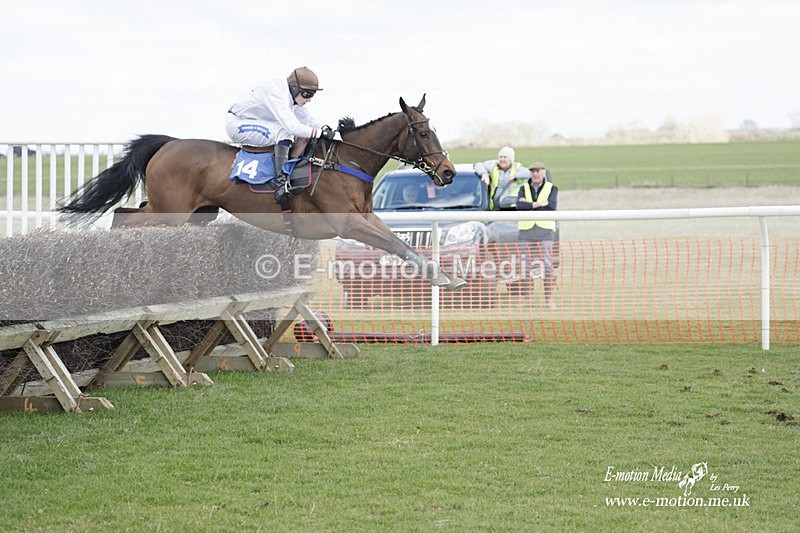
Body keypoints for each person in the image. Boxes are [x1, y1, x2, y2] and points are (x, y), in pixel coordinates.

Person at [225, 66, 337, 203]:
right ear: (295, 88)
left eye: (312, 94)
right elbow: (293, 127)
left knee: (290, 132)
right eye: (307, 94)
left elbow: (309, 121)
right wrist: (322, 133)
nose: (309, 100)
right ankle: (280, 186)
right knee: (283, 132)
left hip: (252, 121)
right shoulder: (276, 92)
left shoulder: (291, 97)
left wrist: (330, 132)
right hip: (237, 124)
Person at [516, 162, 558, 308]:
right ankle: (527, 300)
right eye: (533, 171)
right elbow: (519, 206)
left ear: (543, 172)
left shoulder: (551, 188)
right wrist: (538, 204)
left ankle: (549, 300)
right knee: (524, 267)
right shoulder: (523, 188)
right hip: (526, 231)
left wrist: (529, 204)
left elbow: (551, 206)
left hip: (545, 231)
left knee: (547, 265)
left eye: (538, 171)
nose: (535, 174)